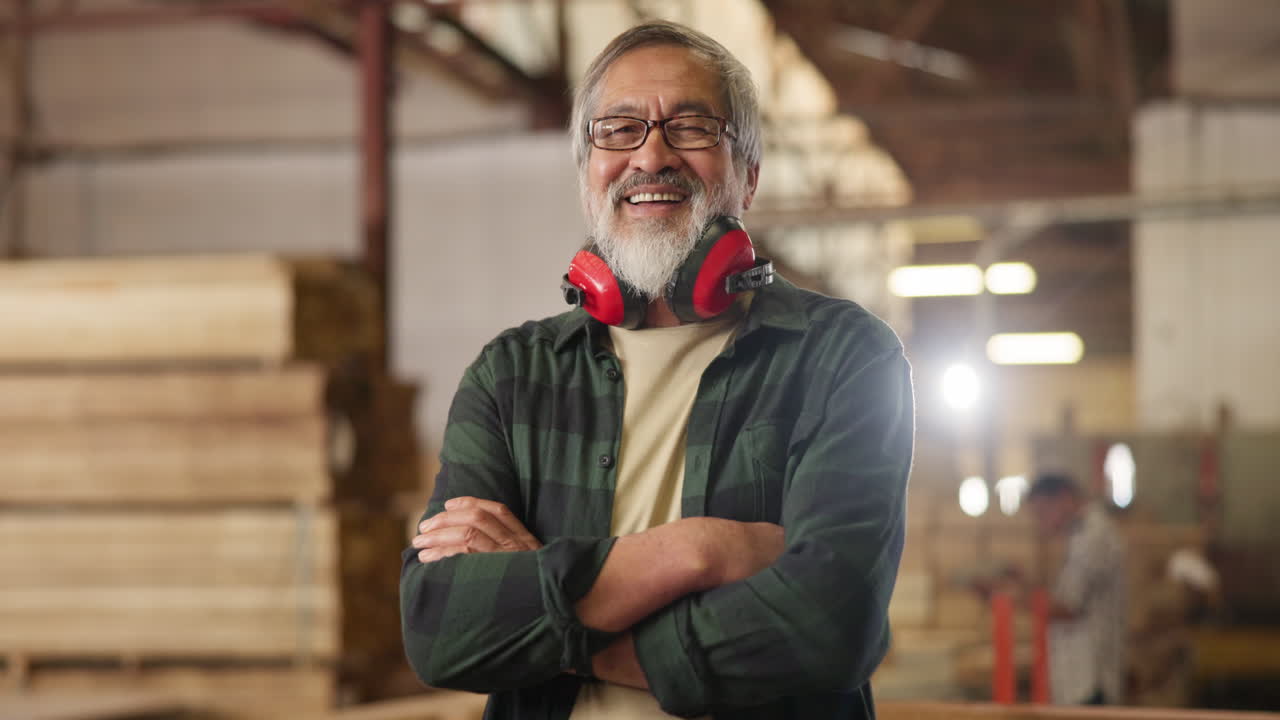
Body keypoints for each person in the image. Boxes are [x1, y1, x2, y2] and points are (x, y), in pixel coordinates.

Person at [400, 20, 914, 720]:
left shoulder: (843, 357)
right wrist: (700, 549)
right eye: (618, 130)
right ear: (588, 177)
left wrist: (554, 621)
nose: (651, 156)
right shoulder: (511, 377)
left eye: (692, 127)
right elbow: (440, 628)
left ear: (749, 176)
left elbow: (829, 627)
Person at [1026, 472, 1128, 706]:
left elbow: (1068, 606)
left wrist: (1014, 597)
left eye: (1043, 513)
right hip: (1078, 678)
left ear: (1064, 498)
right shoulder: (1081, 535)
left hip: (1089, 678)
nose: (1042, 524)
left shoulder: (1093, 536)